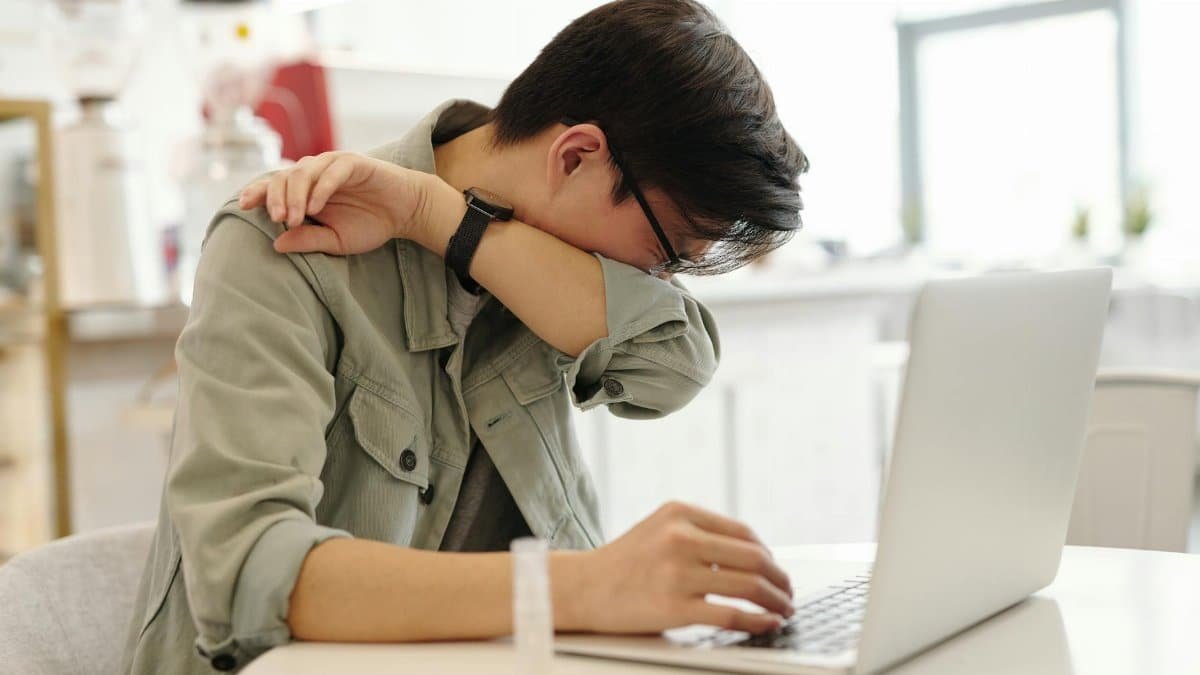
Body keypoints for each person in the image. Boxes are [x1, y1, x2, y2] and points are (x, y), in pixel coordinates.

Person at [120, 1, 809, 672]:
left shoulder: (538, 256)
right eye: (665, 255)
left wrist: (438, 217)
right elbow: (248, 573)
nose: (656, 277)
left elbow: (676, 362)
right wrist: (584, 586)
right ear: (575, 158)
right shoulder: (283, 241)